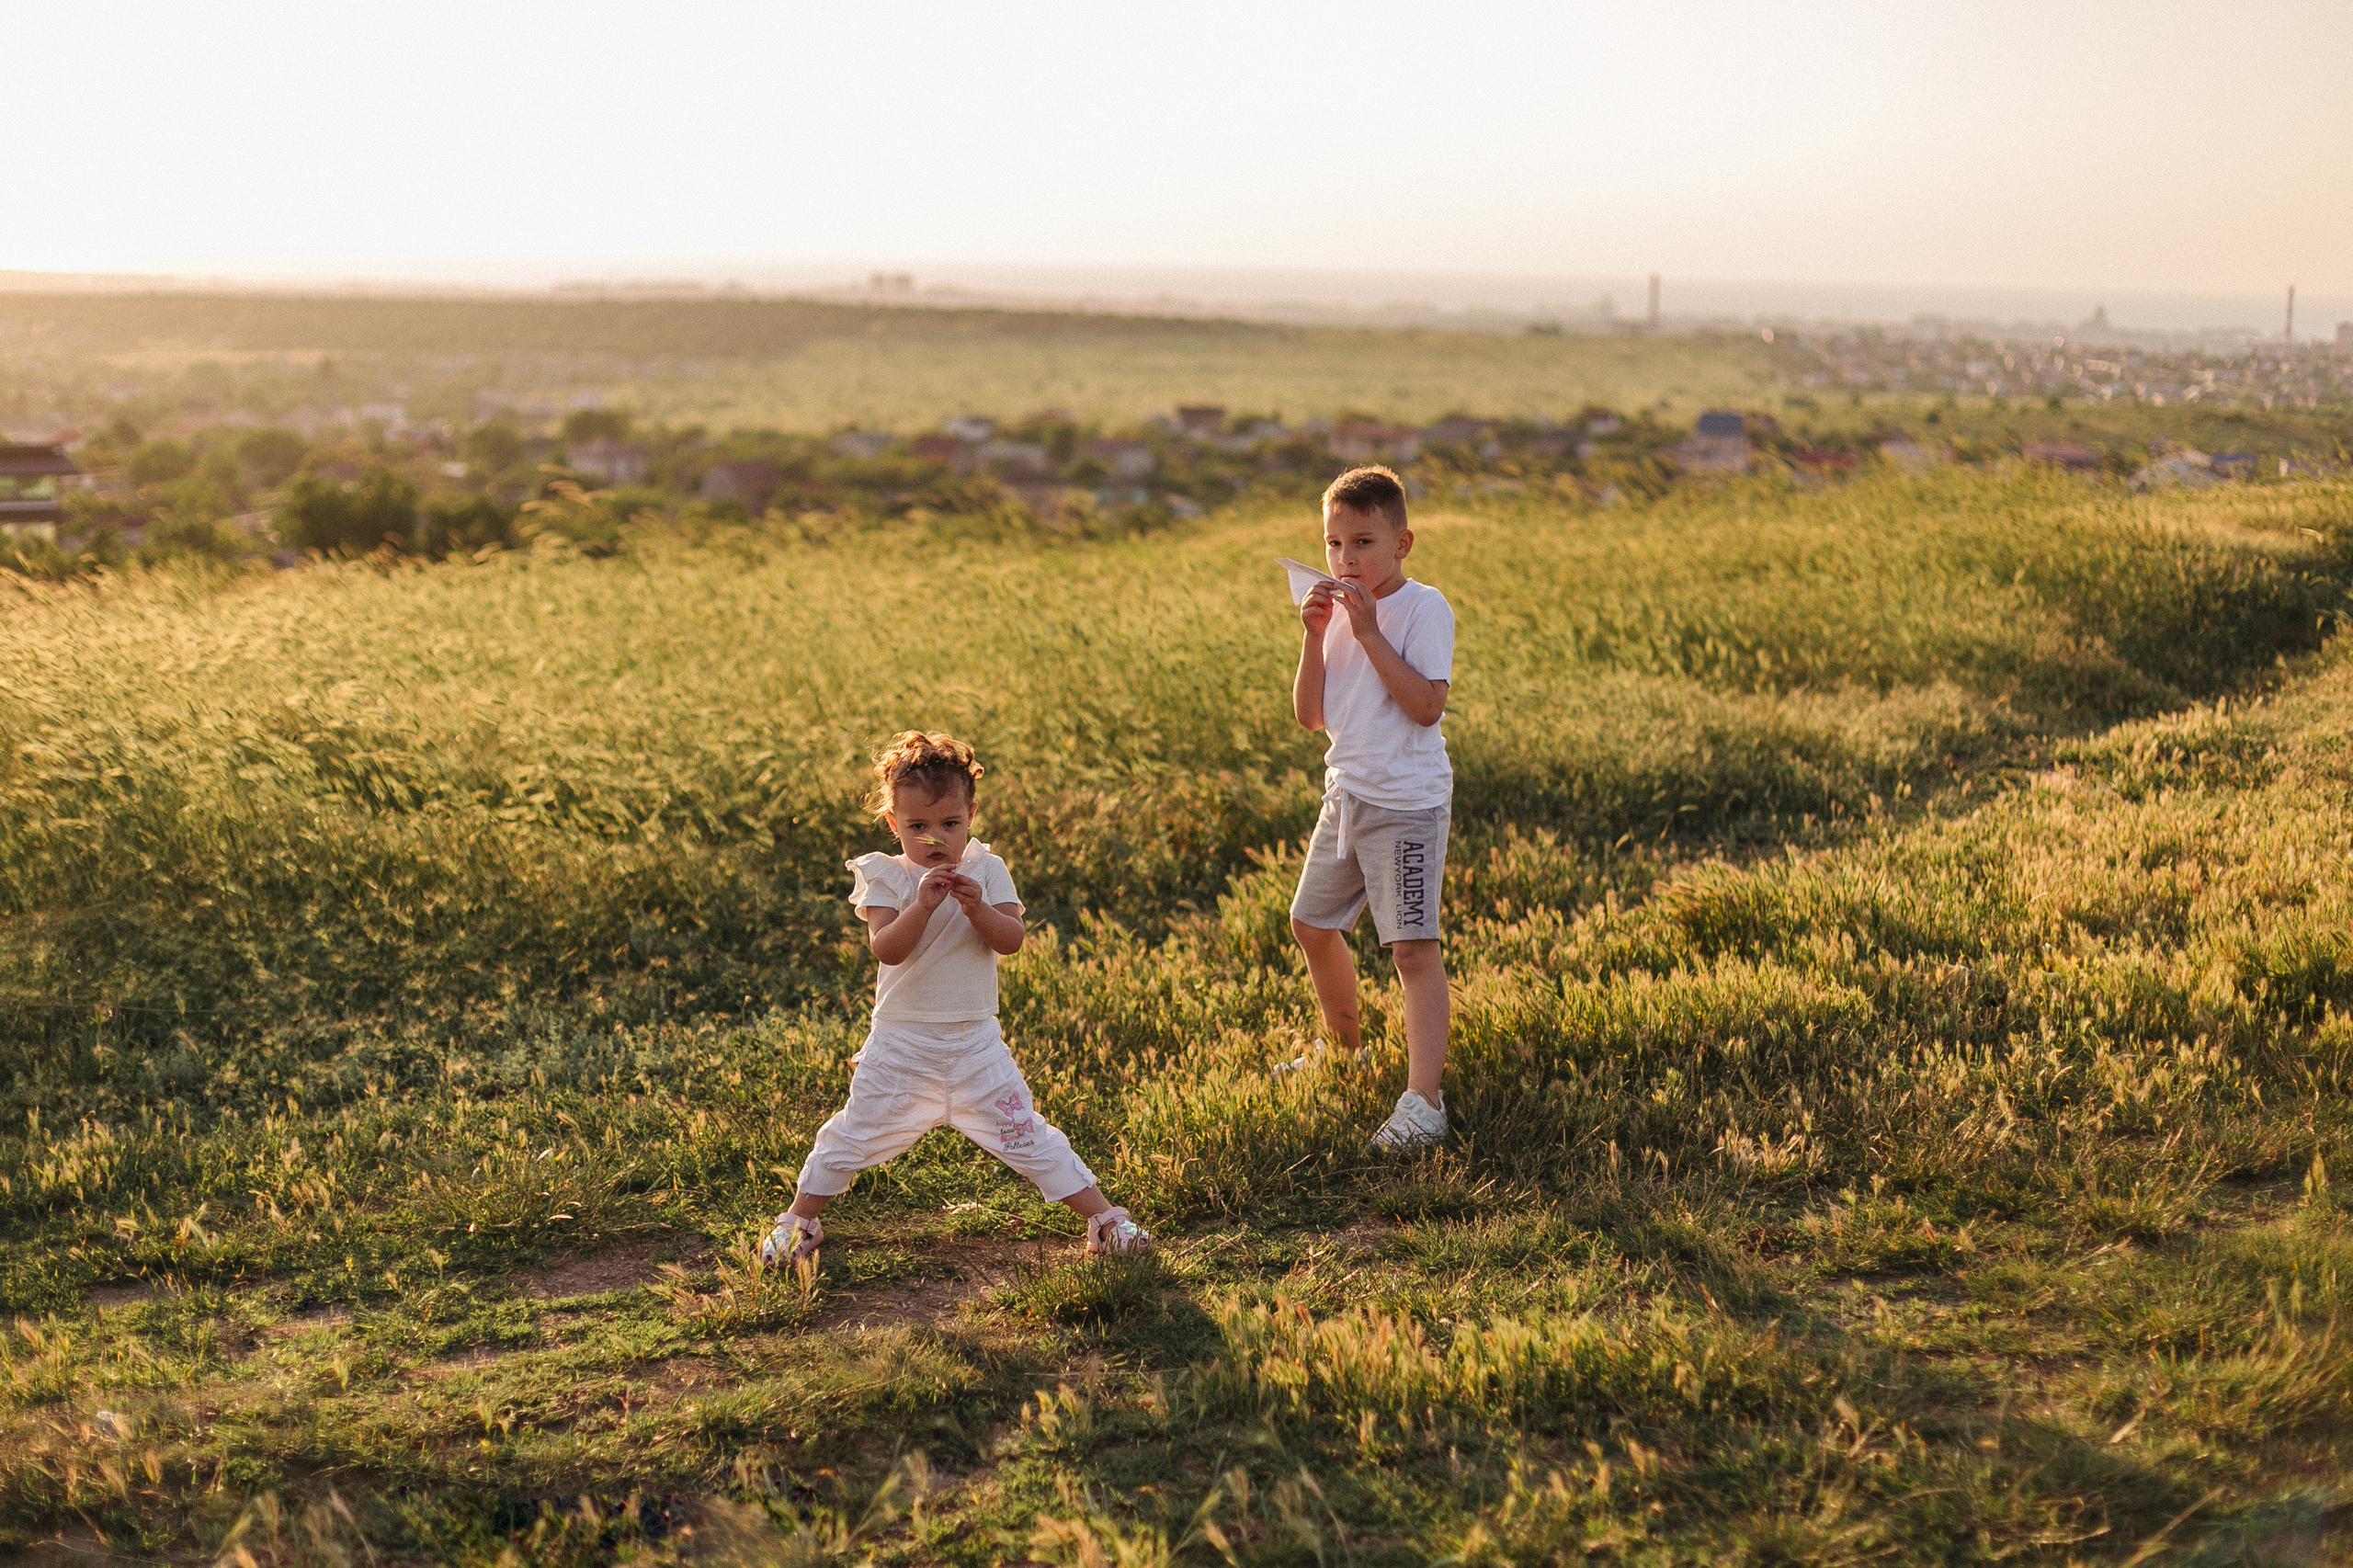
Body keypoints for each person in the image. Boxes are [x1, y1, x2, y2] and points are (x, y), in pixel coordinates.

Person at [759, 732, 1152, 1267]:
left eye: (950, 824)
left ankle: (1104, 1221)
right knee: (854, 1132)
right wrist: (921, 906)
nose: (935, 839)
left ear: (970, 817)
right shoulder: (887, 876)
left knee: (1025, 1134)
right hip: (901, 1044)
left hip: (974, 1044)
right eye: (918, 827)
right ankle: (801, 1221)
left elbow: (1010, 940)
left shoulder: (987, 870)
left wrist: (978, 909)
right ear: (895, 825)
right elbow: (888, 950)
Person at [1287, 465, 1456, 1153]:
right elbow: (1310, 717)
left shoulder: (1423, 608)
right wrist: (1312, 635)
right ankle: (1344, 1049)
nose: (1345, 559)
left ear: (1402, 543)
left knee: (1412, 951)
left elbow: (1425, 708)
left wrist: (1366, 634)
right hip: (1346, 795)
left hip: (1407, 805)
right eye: (1333, 545)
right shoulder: (1334, 612)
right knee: (1310, 925)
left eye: (1361, 542)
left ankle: (1425, 1103)